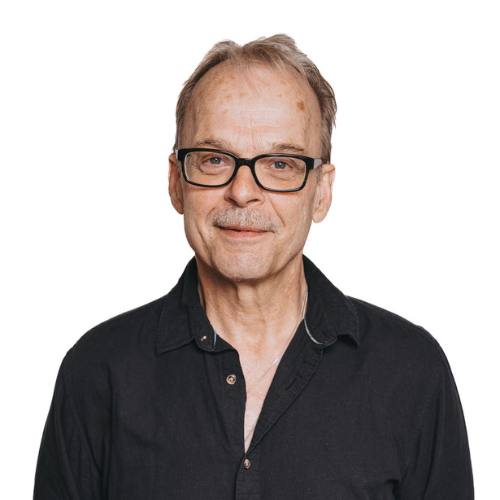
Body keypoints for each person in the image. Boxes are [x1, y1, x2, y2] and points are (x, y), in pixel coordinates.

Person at [33, 34, 474, 499]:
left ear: (321, 191)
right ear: (176, 182)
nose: (243, 192)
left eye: (281, 164)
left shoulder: (411, 373)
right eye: (213, 159)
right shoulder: (98, 372)